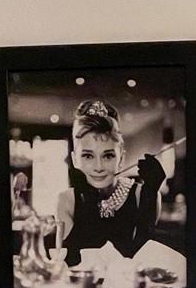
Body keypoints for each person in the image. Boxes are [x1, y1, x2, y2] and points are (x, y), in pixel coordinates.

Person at [54, 99, 168, 269]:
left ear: (121, 159)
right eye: (88, 156)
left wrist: (149, 196)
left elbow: (143, 260)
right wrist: (87, 199)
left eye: (108, 156)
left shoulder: (142, 195)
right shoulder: (66, 200)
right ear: (74, 159)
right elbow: (78, 260)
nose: (98, 167)